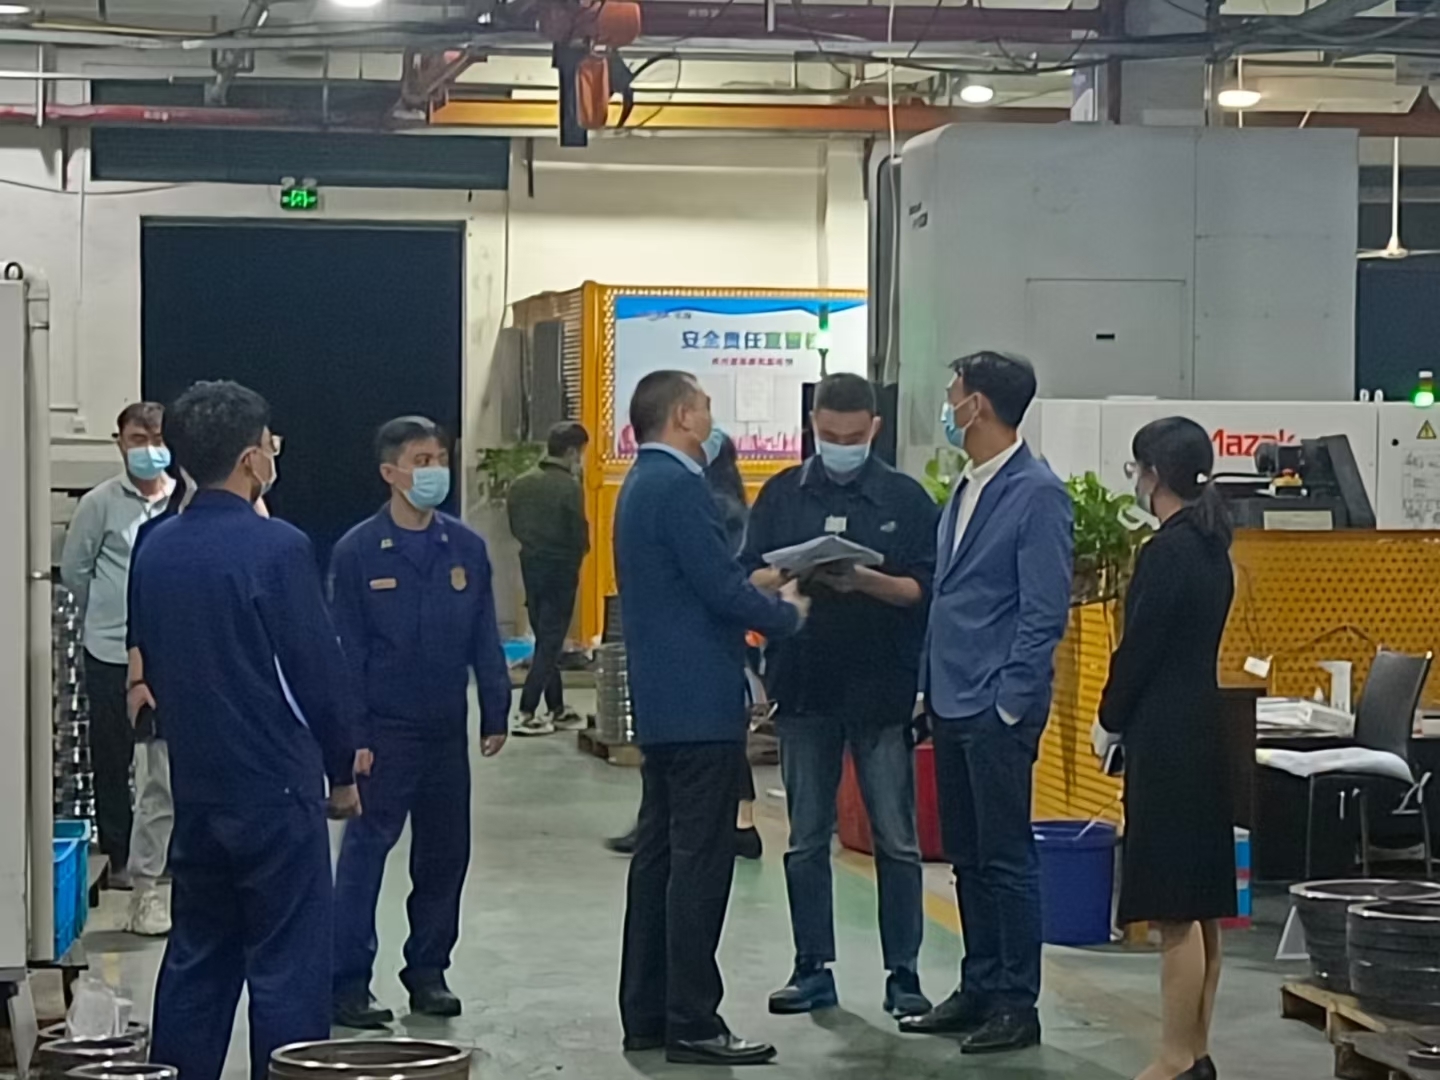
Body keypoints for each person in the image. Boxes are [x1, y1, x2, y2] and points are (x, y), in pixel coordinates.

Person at [129, 381, 361, 1080]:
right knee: (288, 967)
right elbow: (316, 669)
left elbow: (149, 656)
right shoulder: (277, 548)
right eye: (269, 444)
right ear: (250, 458)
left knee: (198, 959)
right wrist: (342, 769)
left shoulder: (154, 547)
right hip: (275, 787)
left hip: (198, 785)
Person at [615, 370, 808, 1067]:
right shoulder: (680, 486)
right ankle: (693, 1018)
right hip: (699, 705)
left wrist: (746, 583)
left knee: (659, 859)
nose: (710, 419)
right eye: (703, 407)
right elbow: (718, 590)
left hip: (665, 704)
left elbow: (692, 583)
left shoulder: (642, 484)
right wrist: (786, 613)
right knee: (700, 865)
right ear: (682, 416)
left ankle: (648, 1010)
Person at [741, 373, 938, 1019]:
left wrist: (864, 581)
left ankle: (903, 974)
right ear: (813, 427)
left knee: (896, 841)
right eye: (830, 435)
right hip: (805, 688)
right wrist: (788, 573)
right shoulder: (782, 495)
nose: (841, 446)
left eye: (852, 437)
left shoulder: (905, 499)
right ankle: (812, 968)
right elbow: (748, 574)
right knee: (806, 838)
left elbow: (922, 589)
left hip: (880, 691)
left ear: (874, 429)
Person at [902, 351, 1072, 1054]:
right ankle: (978, 985)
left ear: (980, 405)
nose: (948, 405)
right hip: (950, 701)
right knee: (966, 858)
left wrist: (1009, 702)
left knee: (1005, 860)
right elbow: (948, 598)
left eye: (954, 394)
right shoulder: (967, 487)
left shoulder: (1036, 494)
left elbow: (1043, 612)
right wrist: (926, 687)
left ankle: (1015, 1002)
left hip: (994, 708)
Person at [329, 416, 512, 1028]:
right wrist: (352, 736)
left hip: (444, 731)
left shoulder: (465, 548)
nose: (434, 470)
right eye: (420, 460)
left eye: (439, 458)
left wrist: (494, 708)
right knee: (366, 856)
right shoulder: (358, 552)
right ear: (391, 472)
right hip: (385, 734)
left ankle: (428, 972)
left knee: (444, 857)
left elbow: (484, 634)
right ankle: (346, 982)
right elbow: (347, 652)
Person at [1093, 418, 1235, 1080]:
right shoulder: (1213, 547)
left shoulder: (1167, 552)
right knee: (1201, 907)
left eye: (1136, 469)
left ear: (1153, 474)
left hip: (1165, 739)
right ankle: (1197, 1049)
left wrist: (1109, 718)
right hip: (1203, 729)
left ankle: (1175, 1055)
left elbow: (1140, 648)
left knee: (1174, 910)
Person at [604, 429, 766, 861]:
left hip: (703, 656)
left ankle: (738, 822)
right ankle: (741, 822)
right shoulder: (698, 495)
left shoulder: (703, 502)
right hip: (709, 654)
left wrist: (782, 614)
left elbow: (722, 582)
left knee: (704, 764)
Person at [60, 402, 175, 890]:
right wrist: (109, 616)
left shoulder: (182, 501)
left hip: (168, 652)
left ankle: (166, 854)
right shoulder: (100, 503)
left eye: (157, 439)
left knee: (165, 759)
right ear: (119, 444)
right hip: (109, 650)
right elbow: (75, 571)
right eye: (137, 440)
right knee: (113, 756)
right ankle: (120, 855)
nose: (148, 449)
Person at [507, 421, 590, 737]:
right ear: (572, 452)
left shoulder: (521, 483)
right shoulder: (569, 487)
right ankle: (526, 710)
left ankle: (556, 707)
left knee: (546, 638)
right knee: (551, 642)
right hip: (560, 570)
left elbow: (515, 527)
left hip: (531, 565)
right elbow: (578, 534)